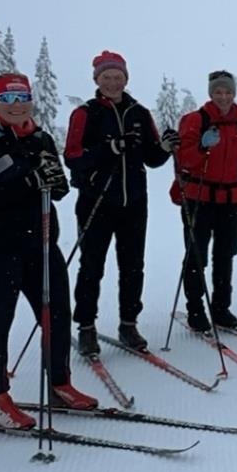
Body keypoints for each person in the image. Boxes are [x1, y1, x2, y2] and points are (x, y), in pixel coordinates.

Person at [0, 73, 98, 428]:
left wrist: (55, 183)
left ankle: (60, 385)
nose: (17, 106)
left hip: (41, 244)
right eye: (8, 100)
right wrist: (22, 181)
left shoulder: (41, 137)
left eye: (22, 98)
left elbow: (55, 183)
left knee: (57, 315)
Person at [64, 51, 177, 355]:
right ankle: (86, 327)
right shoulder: (86, 113)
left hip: (134, 202)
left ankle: (129, 324)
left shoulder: (139, 112)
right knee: (91, 266)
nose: (113, 82)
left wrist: (165, 148)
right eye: (106, 77)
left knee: (133, 266)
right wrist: (109, 148)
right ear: (97, 80)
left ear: (126, 79)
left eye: (118, 77)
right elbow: (72, 158)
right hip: (96, 201)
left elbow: (151, 158)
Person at [175, 70, 237, 332]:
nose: (223, 97)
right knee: (196, 255)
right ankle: (195, 309)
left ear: (234, 93)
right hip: (198, 197)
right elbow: (185, 160)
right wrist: (202, 147)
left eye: (227, 92)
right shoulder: (195, 120)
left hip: (232, 199)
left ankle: (221, 308)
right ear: (210, 93)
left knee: (225, 256)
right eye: (218, 92)